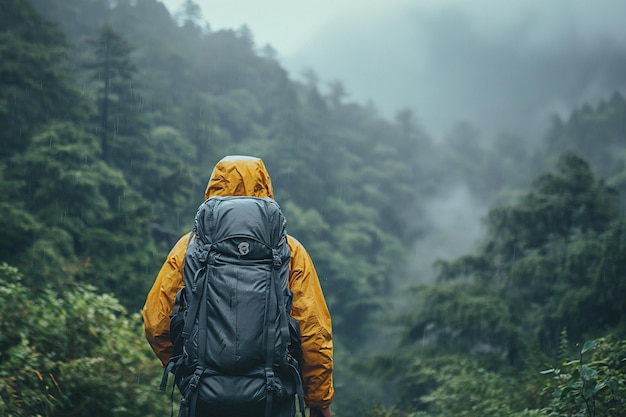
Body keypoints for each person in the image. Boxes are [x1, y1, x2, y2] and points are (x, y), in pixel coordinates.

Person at [142, 155, 333, 417]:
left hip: (203, 394)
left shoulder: (188, 248)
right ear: (265, 188)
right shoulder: (290, 251)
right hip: (271, 397)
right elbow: (314, 332)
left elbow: (156, 322)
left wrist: (187, 366)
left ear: (213, 188)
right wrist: (319, 402)